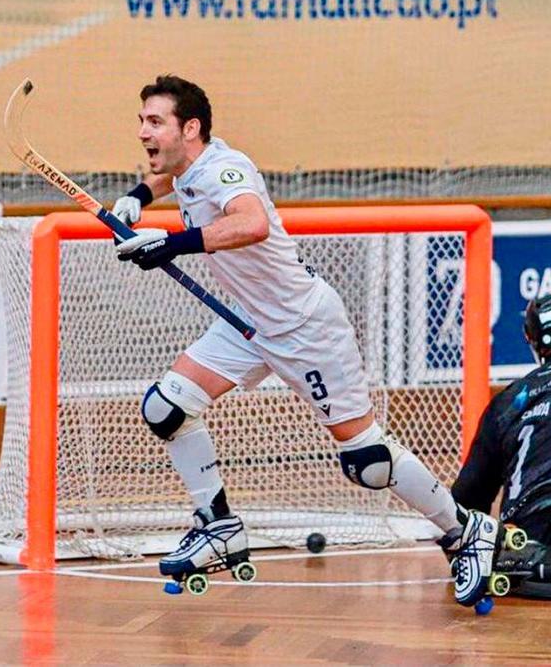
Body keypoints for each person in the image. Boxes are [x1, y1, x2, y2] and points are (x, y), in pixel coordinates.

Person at [109, 74, 496, 607]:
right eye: (141, 121)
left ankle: (463, 530)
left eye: (154, 122)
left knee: (368, 461)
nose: (142, 132)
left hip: (303, 326)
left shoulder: (227, 169)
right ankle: (218, 525)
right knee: (167, 409)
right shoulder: (191, 166)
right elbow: (170, 179)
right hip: (249, 320)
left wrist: (173, 243)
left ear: (189, 127)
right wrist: (135, 199)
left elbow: (251, 224)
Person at [452, 293, 551, 599]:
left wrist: (464, 559)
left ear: (529, 338)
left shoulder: (510, 401)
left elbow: (465, 499)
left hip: (529, 551)